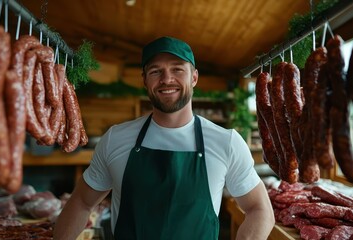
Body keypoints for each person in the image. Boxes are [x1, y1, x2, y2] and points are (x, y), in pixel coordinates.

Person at [53, 36, 275, 240]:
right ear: (145, 80)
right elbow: (82, 202)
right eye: (155, 71)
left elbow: (260, 210)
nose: (166, 79)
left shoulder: (226, 142)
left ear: (194, 77)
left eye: (177, 69)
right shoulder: (116, 139)